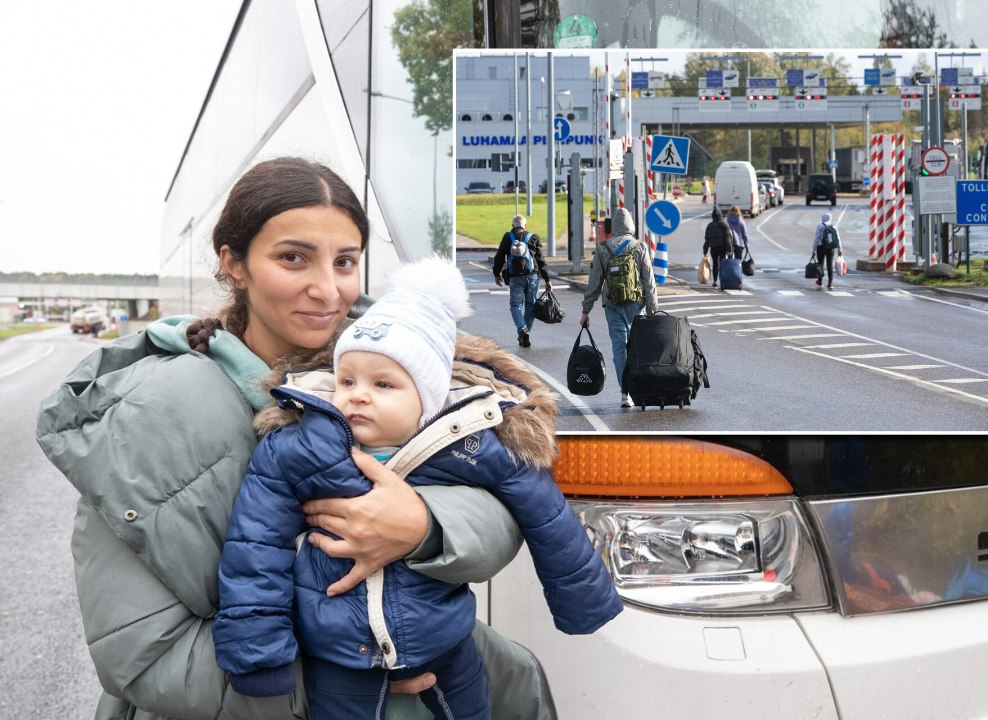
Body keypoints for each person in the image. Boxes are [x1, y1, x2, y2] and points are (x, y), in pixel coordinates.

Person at [36, 157, 560, 720]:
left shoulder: (406, 365)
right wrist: (338, 679)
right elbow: (138, 652)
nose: (327, 289)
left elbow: (508, 501)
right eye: (293, 258)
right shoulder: (139, 416)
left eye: (345, 262)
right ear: (234, 264)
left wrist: (424, 527)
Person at [214, 257, 621, 719]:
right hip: (338, 653)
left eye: (383, 383)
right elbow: (255, 550)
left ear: (426, 398)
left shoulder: (468, 442)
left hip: (444, 639)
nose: (357, 394)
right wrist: (260, 658)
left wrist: (584, 601)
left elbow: (547, 517)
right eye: (347, 379)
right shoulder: (299, 446)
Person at [579, 207, 658, 408]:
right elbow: (649, 281)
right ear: (631, 226)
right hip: (636, 304)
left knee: (619, 347)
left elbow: (594, 283)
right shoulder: (640, 247)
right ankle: (640, 387)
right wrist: (653, 310)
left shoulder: (603, 248)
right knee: (636, 347)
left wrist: (586, 311)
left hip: (612, 305)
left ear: (614, 226)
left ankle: (625, 393)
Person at [492, 214, 551, 348]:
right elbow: (541, 260)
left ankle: (522, 329)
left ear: (512, 226)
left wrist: (496, 273)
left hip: (515, 277)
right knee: (530, 306)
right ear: (525, 226)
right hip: (532, 277)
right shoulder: (534, 237)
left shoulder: (508, 237)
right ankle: (525, 333)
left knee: (515, 305)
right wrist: (547, 279)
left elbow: (499, 257)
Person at [702, 206, 734, 288]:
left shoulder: (710, 225)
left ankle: (715, 281)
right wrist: (729, 250)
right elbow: (727, 238)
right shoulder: (725, 225)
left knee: (715, 264)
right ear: (721, 216)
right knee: (723, 264)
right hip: (722, 247)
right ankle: (722, 280)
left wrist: (705, 251)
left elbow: (707, 239)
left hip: (713, 247)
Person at [812, 212, 844, 290]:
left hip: (821, 247)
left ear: (823, 218)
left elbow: (816, 238)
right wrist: (840, 249)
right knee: (829, 265)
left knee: (820, 264)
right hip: (831, 247)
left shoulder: (820, 226)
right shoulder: (834, 227)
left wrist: (813, 249)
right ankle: (830, 283)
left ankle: (820, 281)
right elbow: (838, 239)